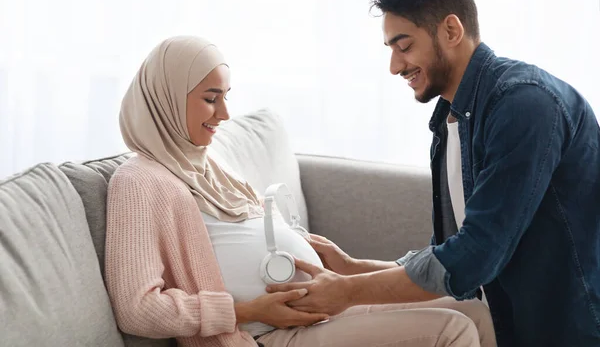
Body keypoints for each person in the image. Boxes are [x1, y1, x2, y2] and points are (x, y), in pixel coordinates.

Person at [266, 0, 600, 347]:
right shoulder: (453, 118)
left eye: (403, 45)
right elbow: (453, 258)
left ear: (451, 30)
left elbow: (473, 258)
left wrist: (348, 292)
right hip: (512, 324)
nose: (394, 66)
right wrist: (357, 271)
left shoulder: (525, 105)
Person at [105, 35, 496, 347]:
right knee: (451, 331)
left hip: (321, 310)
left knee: (477, 311)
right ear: (168, 99)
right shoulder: (140, 181)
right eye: (210, 99)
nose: (224, 114)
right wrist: (248, 310)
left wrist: (338, 266)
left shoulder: (206, 166)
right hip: (265, 334)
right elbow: (137, 309)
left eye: (226, 97)